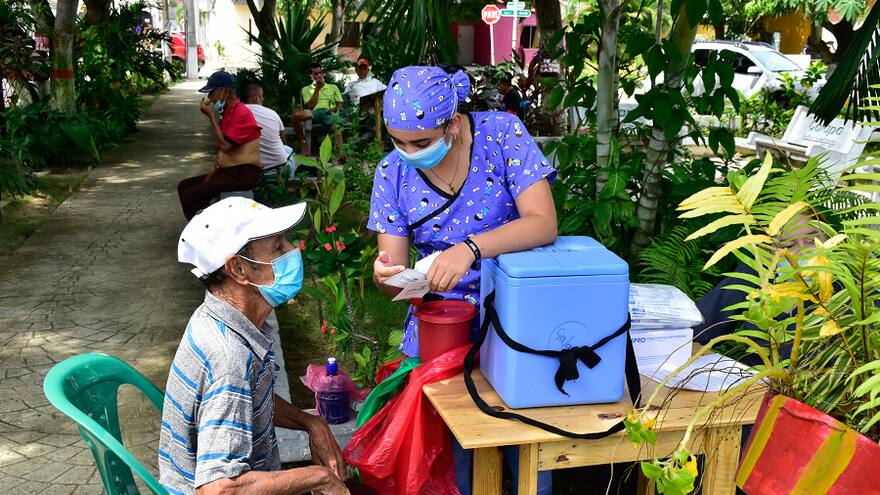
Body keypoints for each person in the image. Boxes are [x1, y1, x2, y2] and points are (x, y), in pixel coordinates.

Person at [368, 65, 557, 495]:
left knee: (528, 446)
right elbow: (394, 273)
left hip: (516, 314)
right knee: (454, 456)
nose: (408, 152)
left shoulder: (502, 135)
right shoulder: (391, 173)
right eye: (397, 142)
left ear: (452, 123)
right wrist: (386, 277)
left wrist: (470, 247)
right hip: (443, 327)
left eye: (420, 142)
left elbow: (543, 223)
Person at [160, 197, 350, 495]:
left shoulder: (224, 319)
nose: (292, 250)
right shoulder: (229, 360)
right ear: (238, 269)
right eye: (277, 247)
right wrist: (318, 477)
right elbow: (218, 490)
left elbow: (252, 398)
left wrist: (311, 423)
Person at [178, 71, 262, 220]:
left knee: (189, 196)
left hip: (243, 174)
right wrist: (213, 171)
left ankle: (204, 234)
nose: (210, 97)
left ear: (225, 91)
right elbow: (222, 147)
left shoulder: (240, 112)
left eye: (212, 92)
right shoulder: (229, 111)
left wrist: (211, 116)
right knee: (184, 186)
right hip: (230, 171)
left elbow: (225, 146)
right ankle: (206, 224)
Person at [241, 80, 294, 173]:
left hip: (251, 170)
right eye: (262, 97)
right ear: (257, 98)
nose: (263, 99)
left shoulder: (237, 113)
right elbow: (283, 140)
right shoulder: (272, 113)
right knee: (288, 150)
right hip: (280, 168)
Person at [292, 64, 343, 155]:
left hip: (329, 111)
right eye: (315, 74)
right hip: (314, 111)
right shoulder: (306, 89)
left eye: (320, 72)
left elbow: (339, 104)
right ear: (311, 76)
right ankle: (303, 143)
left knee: (335, 124)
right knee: (296, 116)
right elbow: (311, 105)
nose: (319, 75)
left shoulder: (333, 87)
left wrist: (333, 108)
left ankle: (341, 153)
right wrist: (317, 89)